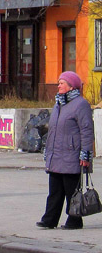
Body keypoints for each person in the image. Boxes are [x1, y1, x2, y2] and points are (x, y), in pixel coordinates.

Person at [38, 71, 95, 230]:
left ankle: (75, 221)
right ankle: (49, 220)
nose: (58, 86)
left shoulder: (81, 104)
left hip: (72, 154)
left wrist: (86, 154)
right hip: (56, 155)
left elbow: (86, 131)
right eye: (59, 83)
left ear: (71, 87)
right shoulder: (58, 104)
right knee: (54, 191)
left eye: (62, 83)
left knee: (72, 191)